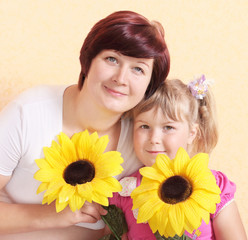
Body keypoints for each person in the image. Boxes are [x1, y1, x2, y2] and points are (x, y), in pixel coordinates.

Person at [0, 10, 170, 239]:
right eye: (112, 59)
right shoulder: (28, 113)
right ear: (87, 60)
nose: (121, 78)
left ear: (149, 86)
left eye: (138, 69)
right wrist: (53, 214)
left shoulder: (142, 140)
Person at [109, 76, 247, 239]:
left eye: (168, 127)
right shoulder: (124, 191)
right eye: (144, 126)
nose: (154, 138)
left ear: (191, 133)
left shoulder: (212, 186)